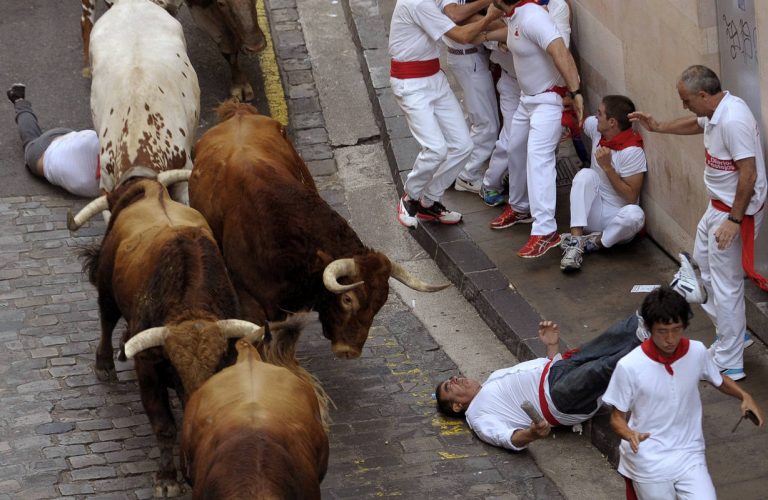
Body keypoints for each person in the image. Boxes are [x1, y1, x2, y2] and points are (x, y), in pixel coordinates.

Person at [434, 271, 706, 452]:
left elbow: (538, 374)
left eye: (451, 378)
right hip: (558, 399)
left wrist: (551, 346)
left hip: (558, 368)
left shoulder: (492, 380)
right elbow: (509, 439)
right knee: (606, 367)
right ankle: (663, 344)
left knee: (613, 336)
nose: (455, 379)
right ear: (457, 405)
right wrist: (532, 433)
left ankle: (679, 292)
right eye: (450, 386)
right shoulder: (478, 417)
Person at [630, 65, 767, 381]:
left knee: (726, 285)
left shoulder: (733, 120)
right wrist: (658, 127)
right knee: (701, 272)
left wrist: (734, 220)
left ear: (704, 95)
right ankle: (735, 335)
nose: (684, 105)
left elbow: (748, 174)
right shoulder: (715, 112)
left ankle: (730, 362)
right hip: (717, 207)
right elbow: (696, 123)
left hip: (732, 213)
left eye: (686, 100)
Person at [602, 285, 764, 499]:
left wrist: (744, 396)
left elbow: (717, 378)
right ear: (649, 328)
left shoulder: (697, 351)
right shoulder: (629, 366)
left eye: (676, 329)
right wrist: (630, 434)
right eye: (662, 331)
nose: (670, 338)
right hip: (649, 460)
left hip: (689, 454)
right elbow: (616, 418)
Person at [482, 0, 583, 257]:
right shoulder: (515, 15)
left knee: (539, 160)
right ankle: (520, 208)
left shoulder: (532, 16)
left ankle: (545, 230)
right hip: (527, 100)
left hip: (547, 100)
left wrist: (575, 92)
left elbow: (560, 51)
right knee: (515, 149)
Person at [390, 0, 495, 228]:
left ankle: (428, 201)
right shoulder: (417, 3)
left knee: (463, 145)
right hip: (410, 83)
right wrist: (490, 14)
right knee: (436, 149)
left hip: (434, 78)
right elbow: (462, 36)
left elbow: (455, 12)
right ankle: (410, 197)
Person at [559, 95, 646, 272]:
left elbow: (631, 197)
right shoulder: (597, 128)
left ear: (612, 122)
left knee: (635, 215)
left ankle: (596, 242)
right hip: (592, 213)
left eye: (600, 114)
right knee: (585, 175)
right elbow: (582, 118)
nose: (596, 117)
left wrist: (608, 168)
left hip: (616, 223)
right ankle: (575, 242)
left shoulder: (632, 151)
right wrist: (571, 102)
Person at [438, 0, 499, 195]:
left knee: (475, 118)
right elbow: (455, 15)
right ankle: (466, 175)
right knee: (487, 124)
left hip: (470, 56)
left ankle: (450, 171)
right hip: (468, 58)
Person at [6, 83, 100, 198]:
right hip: (42, 153)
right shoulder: (90, 186)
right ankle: (18, 99)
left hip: (68, 135)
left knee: (37, 138)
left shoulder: (107, 145)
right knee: (30, 140)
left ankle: (20, 101)